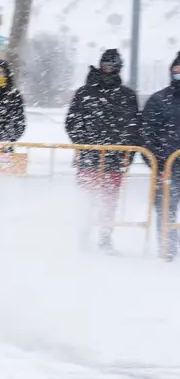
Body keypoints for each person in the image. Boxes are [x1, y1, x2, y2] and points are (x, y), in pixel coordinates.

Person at [65, 49, 140, 254]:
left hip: (115, 159)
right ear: (100, 66)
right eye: (105, 65)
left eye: (112, 65)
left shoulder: (127, 95)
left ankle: (105, 237)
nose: (108, 69)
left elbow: (133, 128)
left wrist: (127, 156)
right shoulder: (84, 92)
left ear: (118, 67)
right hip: (89, 158)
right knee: (87, 200)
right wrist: (84, 144)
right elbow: (72, 122)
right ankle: (83, 236)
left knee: (109, 202)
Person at [139, 52, 180, 259]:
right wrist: (158, 163)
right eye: (176, 72)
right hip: (167, 167)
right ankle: (168, 250)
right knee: (165, 210)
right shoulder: (159, 100)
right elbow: (146, 135)